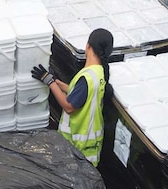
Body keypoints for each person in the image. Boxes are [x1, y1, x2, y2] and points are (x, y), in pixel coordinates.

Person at [31, 28, 113, 166]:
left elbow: (69, 106)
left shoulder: (87, 77)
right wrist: (56, 82)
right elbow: (79, 94)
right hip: (90, 147)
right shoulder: (99, 73)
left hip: (78, 149)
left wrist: (50, 82)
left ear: (88, 46)